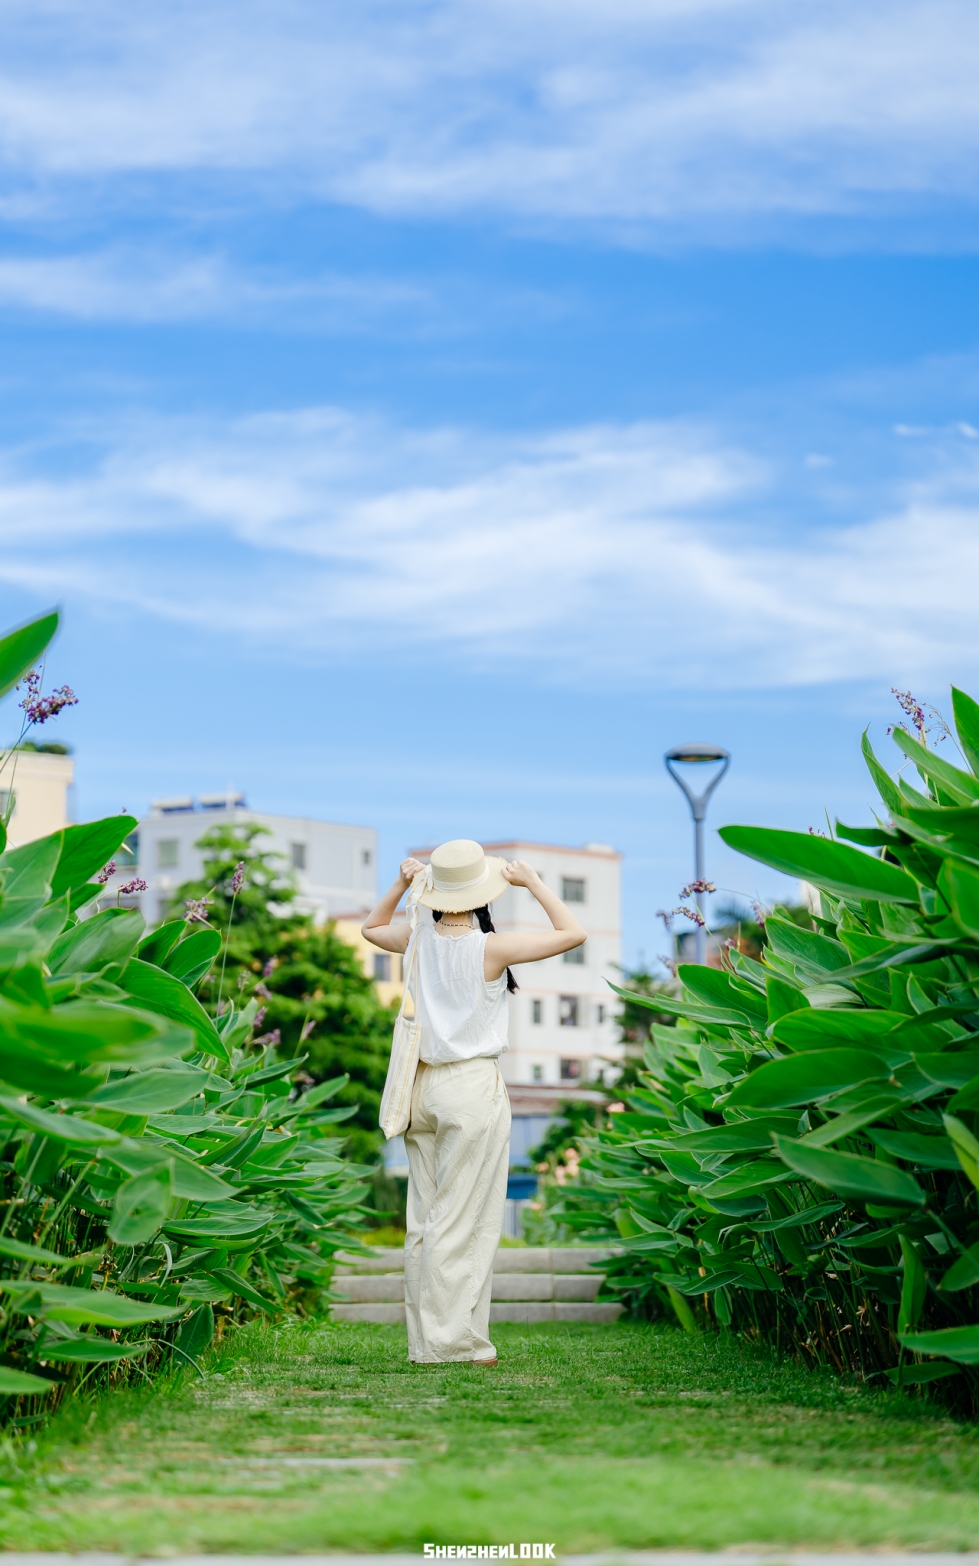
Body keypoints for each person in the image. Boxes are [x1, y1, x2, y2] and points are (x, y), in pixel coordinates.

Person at [362, 839, 586, 1366]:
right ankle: (451, 1343)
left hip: (421, 1087)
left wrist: (400, 883)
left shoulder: (417, 939)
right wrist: (531, 882)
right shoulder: (491, 948)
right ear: (478, 892)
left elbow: (372, 928)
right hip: (470, 1088)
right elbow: (572, 934)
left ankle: (426, 1343)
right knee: (466, 1219)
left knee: (426, 1218)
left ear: (434, 891)